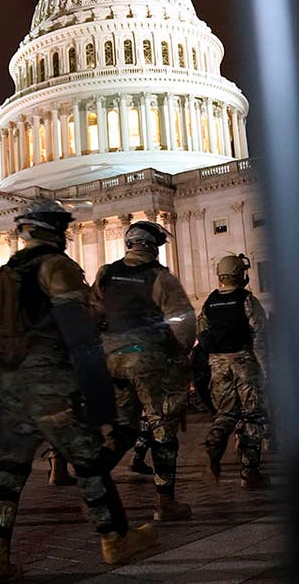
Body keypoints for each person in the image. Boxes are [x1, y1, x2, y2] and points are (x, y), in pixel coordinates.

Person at [0, 199, 155, 583]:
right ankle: (115, 539)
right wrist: (101, 397)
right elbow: (79, 334)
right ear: (56, 230)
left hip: (9, 385)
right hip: (49, 383)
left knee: (7, 471)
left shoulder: (6, 273)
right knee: (89, 460)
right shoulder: (57, 268)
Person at [91, 220, 197, 521]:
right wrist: (180, 351)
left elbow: (92, 310)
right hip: (149, 361)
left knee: (124, 428)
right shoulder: (159, 277)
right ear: (152, 247)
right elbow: (184, 322)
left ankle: (94, 478)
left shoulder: (106, 273)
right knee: (162, 429)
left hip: (113, 360)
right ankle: (165, 503)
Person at [198, 253, 270, 489]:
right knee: (252, 415)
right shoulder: (246, 299)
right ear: (242, 274)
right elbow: (260, 335)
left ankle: (214, 443)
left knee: (225, 413)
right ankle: (250, 473)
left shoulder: (209, 302)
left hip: (217, 364)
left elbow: (203, 334)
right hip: (244, 361)